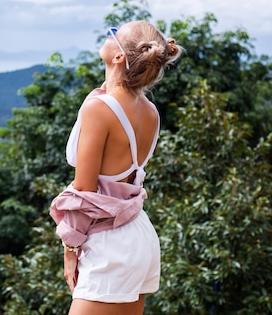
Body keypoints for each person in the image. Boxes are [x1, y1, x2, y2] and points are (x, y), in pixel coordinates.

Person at [50, 20, 182, 315]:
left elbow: (83, 190)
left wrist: (70, 251)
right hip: (138, 235)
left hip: (111, 244)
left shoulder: (100, 109)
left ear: (119, 55)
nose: (107, 35)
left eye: (113, 34)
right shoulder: (149, 111)